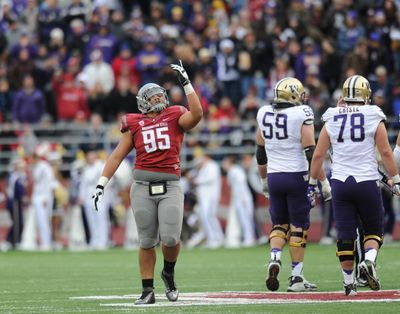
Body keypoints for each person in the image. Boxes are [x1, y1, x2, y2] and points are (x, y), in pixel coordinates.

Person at [92, 60, 203, 305]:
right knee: (146, 241)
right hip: (141, 186)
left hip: (170, 185)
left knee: (171, 239)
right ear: (143, 101)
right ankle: (147, 290)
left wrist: (186, 83)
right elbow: (117, 155)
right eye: (152, 97)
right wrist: (102, 183)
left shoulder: (175, 115)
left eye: (158, 96)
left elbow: (197, 114)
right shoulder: (134, 123)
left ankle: (169, 273)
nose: (157, 99)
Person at [308, 74, 400, 296]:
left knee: (345, 235)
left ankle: (349, 284)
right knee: (374, 230)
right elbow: (386, 151)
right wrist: (395, 179)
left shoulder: (332, 115)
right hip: (367, 180)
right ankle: (368, 260)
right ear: (365, 94)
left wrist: (312, 183)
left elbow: (319, 154)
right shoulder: (373, 114)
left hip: (340, 182)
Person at [255, 77, 331, 292]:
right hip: (297, 175)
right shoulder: (302, 113)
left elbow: (260, 152)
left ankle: (275, 257)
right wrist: (322, 181)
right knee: (298, 226)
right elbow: (311, 152)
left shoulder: (263, 112)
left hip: (275, 176)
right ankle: (296, 278)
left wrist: (263, 180)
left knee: (279, 225)